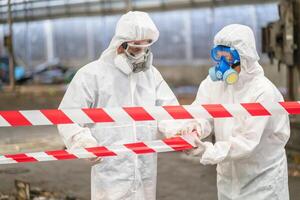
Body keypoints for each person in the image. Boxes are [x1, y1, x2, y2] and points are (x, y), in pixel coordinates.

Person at [57, 11, 178, 200]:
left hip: (145, 171)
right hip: (110, 173)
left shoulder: (151, 75)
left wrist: (179, 130)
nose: (142, 54)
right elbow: (67, 116)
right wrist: (83, 142)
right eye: (137, 48)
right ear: (120, 45)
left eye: (146, 47)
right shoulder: (92, 75)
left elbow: (169, 111)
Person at [178, 24, 290, 200]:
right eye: (219, 57)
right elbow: (202, 112)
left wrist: (206, 150)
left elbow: (247, 143)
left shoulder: (263, 92)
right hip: (228, 180)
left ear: (245, 59)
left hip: (262, 181)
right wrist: (195, 127)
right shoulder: (214, 83)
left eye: (229, 59)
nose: (223, 66)